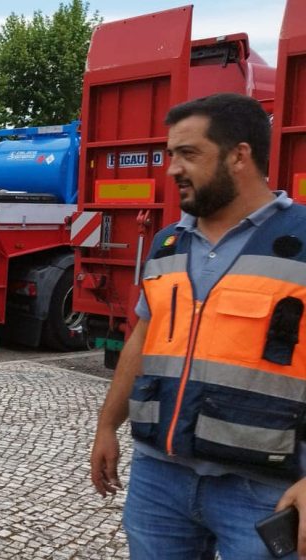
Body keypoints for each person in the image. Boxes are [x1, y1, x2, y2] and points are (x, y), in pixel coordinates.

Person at [89, 92, 306, 558]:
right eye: (171, 155)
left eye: (188, 154)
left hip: (263, 489)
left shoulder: (302, 240)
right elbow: (142, 340)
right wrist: (107, 426)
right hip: (159, 480)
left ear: (239, 156)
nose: (172, 169)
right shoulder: (169, 242)